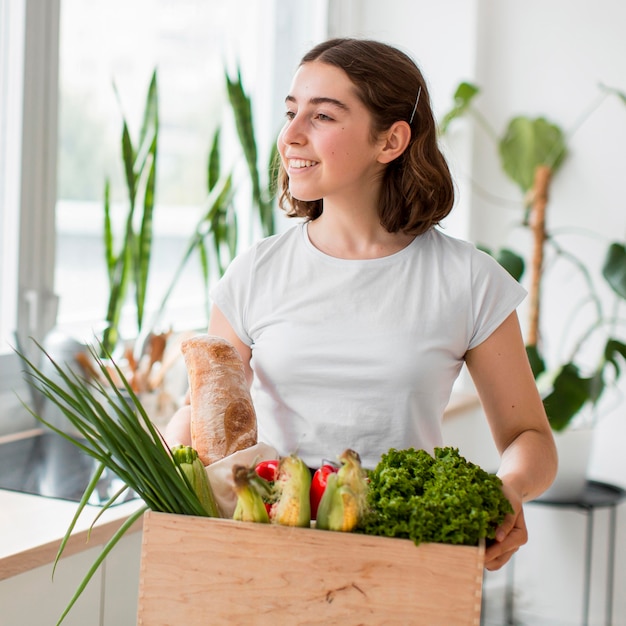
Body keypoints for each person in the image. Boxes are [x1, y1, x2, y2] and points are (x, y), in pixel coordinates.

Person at [166, 37, 557, 571]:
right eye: (290, 112)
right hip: (270, 550)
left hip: (408, 556)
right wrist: (165, 458)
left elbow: (529, 438)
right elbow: (208, 414)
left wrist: (507, 490)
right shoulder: (256, 272)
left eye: (322, 116)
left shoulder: (467, 279)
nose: (291, 135)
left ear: (390, 141)